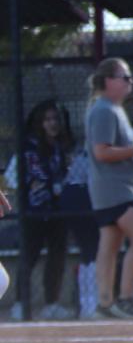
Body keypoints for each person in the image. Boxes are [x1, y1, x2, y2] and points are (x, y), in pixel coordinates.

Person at [84, 58, 133, 320]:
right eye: (124, 77)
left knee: (110, 242)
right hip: (115, 188)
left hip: (118, 186)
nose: (129, 82)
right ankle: (126, 297)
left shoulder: (113, 109)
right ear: (108, 81)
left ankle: (105, 303)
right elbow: (102, 152)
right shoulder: (104, 110)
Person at [16, 102, 76, 319]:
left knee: (57, 257)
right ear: (40, 123)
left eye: (55, 119)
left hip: (58, 211)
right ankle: (20, 304)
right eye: (48, 120)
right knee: (29, 256)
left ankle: (51, 303)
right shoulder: (30, 147)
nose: (53, 124)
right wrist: (55, 186)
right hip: (35, 211)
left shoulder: (62, 147)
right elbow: (38, 176)